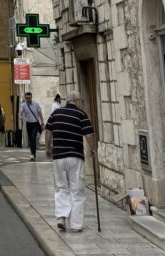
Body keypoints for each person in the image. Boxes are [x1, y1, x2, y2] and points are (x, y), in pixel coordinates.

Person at [44, 89, 97, 233]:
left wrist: (48, 148)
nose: (82, 104)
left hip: (59, 156)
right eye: (81, 101)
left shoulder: (56, 113)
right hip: (74, 156)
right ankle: (76, 224)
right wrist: (94, 150)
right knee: (77, 189)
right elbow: (89, 134)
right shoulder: (80, 114)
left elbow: (48, 131)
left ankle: (61, 217)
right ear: (77, 101)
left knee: (61, 187)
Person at [19, 92, 45, 161]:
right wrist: (21, 116)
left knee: (33, 137)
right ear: (25, 98)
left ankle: (32, 154)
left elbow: (40, 114)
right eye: (27, 98)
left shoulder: (36, 104)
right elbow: (21, 112)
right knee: (31, 140)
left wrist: (42, 123)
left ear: (31, 97)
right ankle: (33, 153)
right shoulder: (23, 105)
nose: (28, 99)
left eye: (29, 98)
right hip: (29, 124)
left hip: (35, 124)